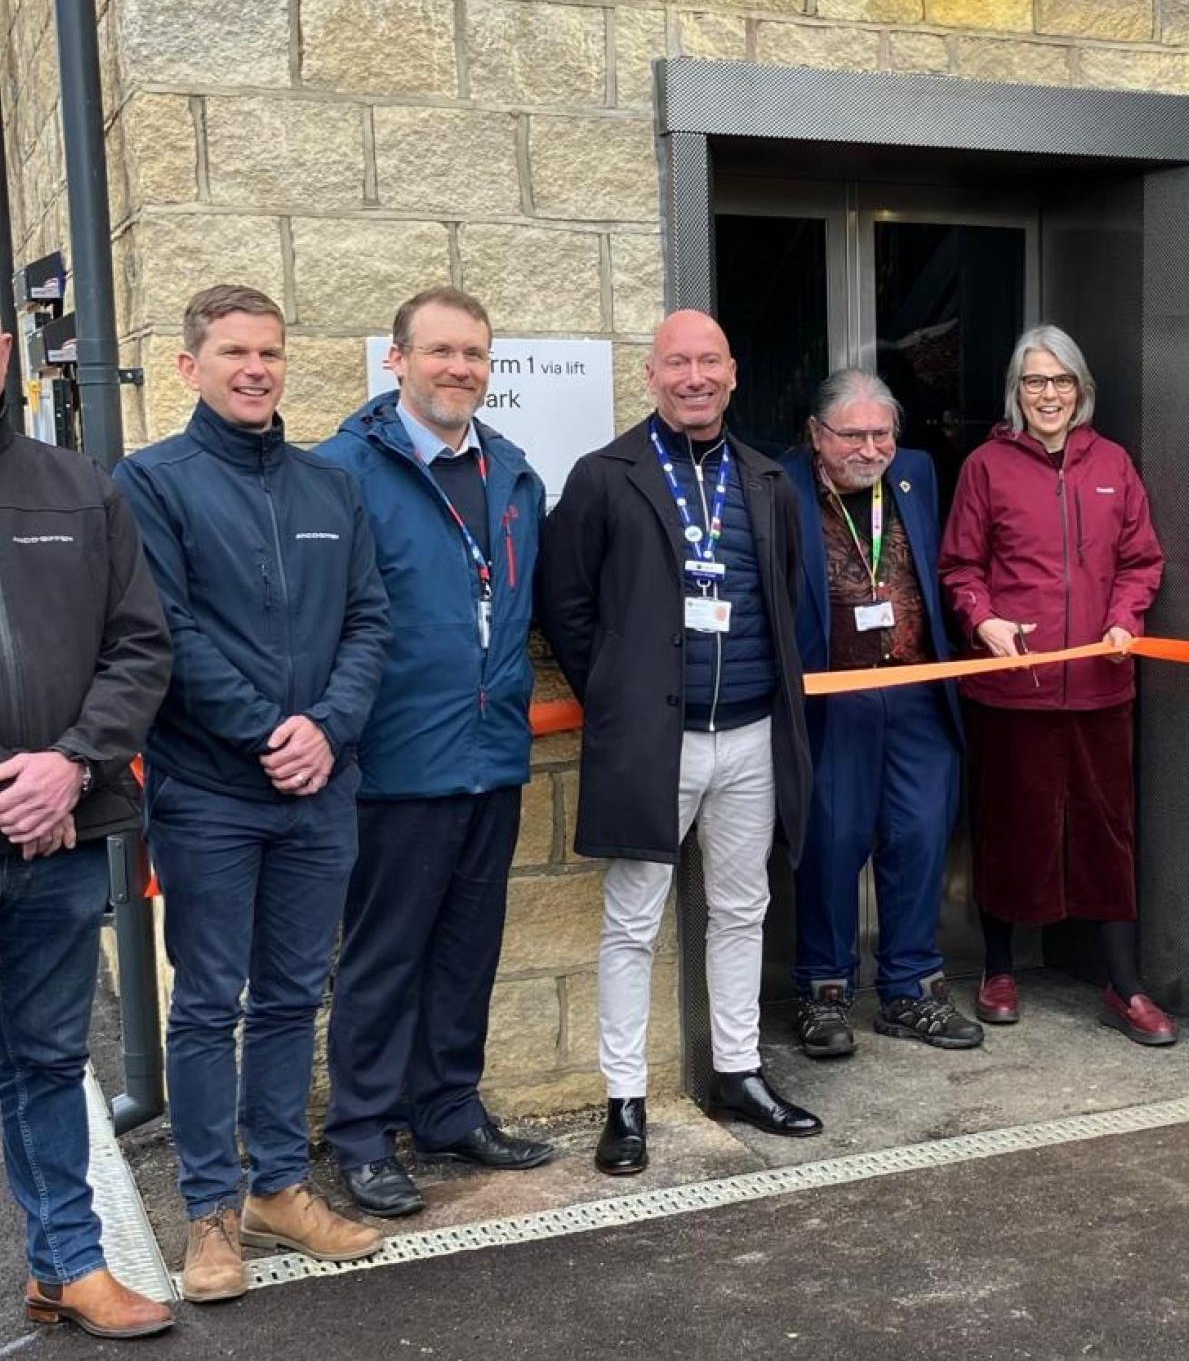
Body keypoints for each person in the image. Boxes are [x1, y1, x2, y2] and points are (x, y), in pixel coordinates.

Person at [115, 285, 391, 1299]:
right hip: (209, 795)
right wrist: (268, 733)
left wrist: (326, 729)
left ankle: (279, 1186)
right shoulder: (150, 482)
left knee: (289, 996)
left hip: (320, 790)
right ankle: (210, 1213)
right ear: (190, 367)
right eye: (233, 351)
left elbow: (369, 622)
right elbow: (167, 633)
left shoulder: (330, 488)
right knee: (206, 1007)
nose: (255, 368)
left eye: (269, 352)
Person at [539, 309, 820, 1173]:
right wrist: (621, 697)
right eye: (677, 364)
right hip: (652, 743)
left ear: (732, 374)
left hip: (750, 736)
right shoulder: (604, 476)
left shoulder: (767, 480)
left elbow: (789, 597)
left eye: (709, 362)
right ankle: (624, 1099)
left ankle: (738, 1071)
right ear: (652, 376)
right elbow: (565, 607)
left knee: (743, 911)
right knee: (633, 924)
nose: (694, 377)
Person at [317, 287, 554, 1220]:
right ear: (398, 360)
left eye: (475, 355)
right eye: (441, 352)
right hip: (394, 761)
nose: (459, 369)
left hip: (492, 755)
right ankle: (364, 1135)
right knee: (383, 955)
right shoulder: (344, 471)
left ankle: (448, 1108)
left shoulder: (514, 474)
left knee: (467, 948)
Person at [0, 329, 175, 1339]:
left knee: (47, 1059)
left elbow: (139, 645)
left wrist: (70, 764)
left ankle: (67, 1262)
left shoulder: (77, 489)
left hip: (60, 834)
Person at [939, 323, 1170, 1044]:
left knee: (1109, 834)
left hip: (1101, 686)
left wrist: (1124, 618)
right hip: (1012, 691)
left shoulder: (1114, 463)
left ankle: (1123, 984)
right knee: (1011, 828)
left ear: (1081, 390)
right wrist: (984, 624)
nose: (1049, 394)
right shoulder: (985, 466)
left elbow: (1141, 560)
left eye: (1061, 381)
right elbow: (960, 568)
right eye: (1035, 381)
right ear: (1017, 390)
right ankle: (999, 968)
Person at [782, 370, 980, 1058]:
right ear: (816, 434)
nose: (870, 449)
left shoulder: (917, 474)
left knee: (921, 838)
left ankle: (910, 989)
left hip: (919, 693)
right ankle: (823, 989)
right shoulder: (781, 487)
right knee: (833, 843)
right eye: (854, 435)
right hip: (834, 698)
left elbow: (950, 565)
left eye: (882, 433)